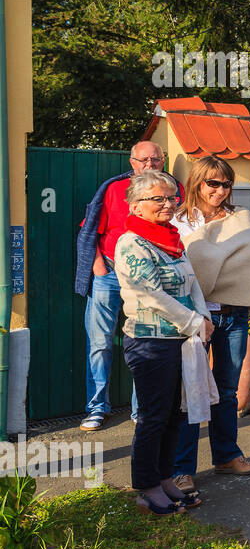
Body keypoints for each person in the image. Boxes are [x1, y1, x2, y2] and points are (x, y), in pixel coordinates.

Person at [113, 170, 213, 515]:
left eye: (171, 197)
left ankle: (167, 476)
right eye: (158, 198)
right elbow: (150, 294)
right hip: (150, 342)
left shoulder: (171, 238)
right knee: (154, 417)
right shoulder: (131, 243)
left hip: (180, 341)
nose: (168, 204)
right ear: (136, 205)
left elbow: (191, 282)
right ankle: (146, 486)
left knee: (175, 415)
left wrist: (203, 317)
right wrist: (192, 321)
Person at [170, 156, 250, 494]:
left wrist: (249, 299)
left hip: (235, 313)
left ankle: (227, 456)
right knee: (190, 392)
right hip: (195, 316)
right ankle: (181, 469)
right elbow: (180, 266)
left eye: (227, 184)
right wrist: (196, 314)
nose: (221, 190)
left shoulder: (241, 217)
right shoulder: (179, 220)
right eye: (213, 183)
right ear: (198, 182)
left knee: (226, 391)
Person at [75, 141, 179, 431]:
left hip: (150, 277)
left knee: (148, 341)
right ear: (132, 162)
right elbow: (90, 228)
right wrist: (98, 268)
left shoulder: (173, 191)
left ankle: (140, 410)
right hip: (108, 272)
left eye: (155, 159)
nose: (149, 164)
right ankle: (96, 408)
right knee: (99, 342)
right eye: (143, 160)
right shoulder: (113, 189)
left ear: (163, 161)